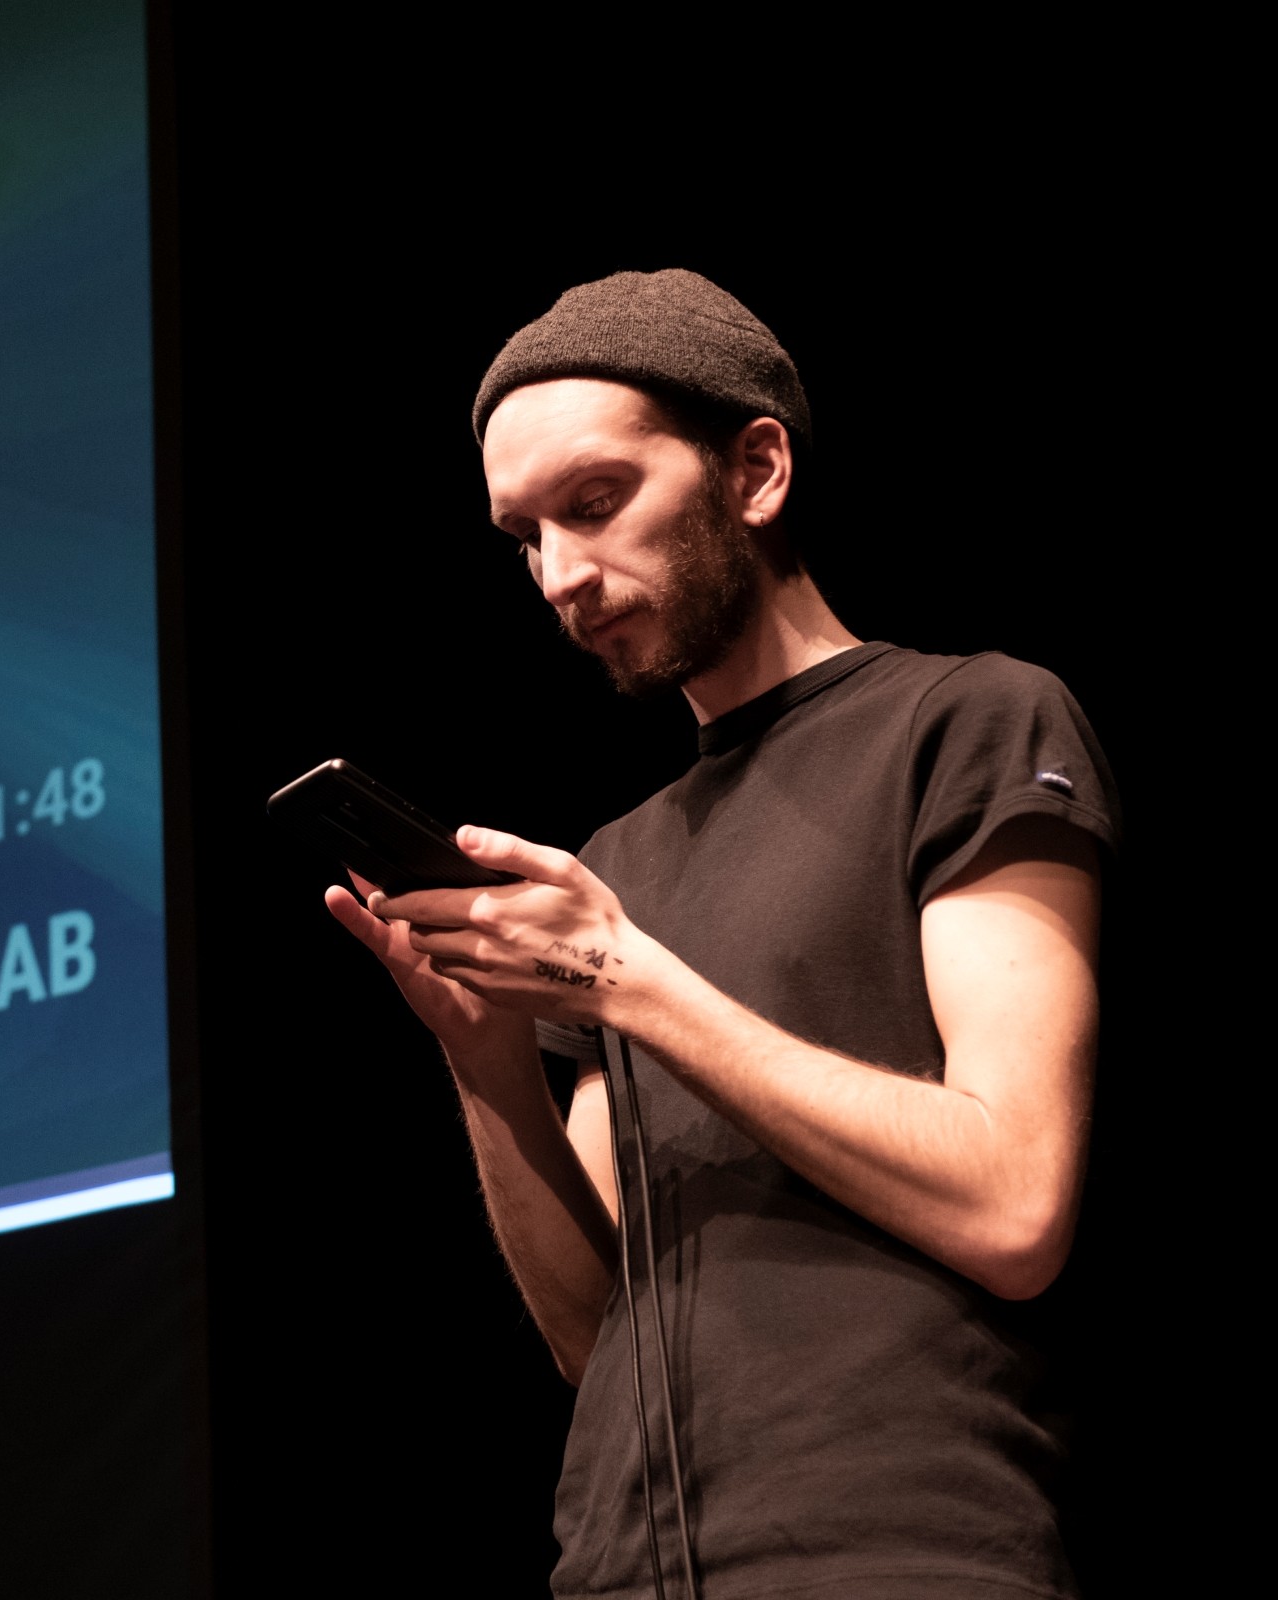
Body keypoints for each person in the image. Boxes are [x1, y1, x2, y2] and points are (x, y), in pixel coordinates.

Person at [324, 269, 1116, 1598]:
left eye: (596, 502)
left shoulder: (968, 723)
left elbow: (1014, 1197)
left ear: (755, 469)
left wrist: (628, 980)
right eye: (524, 538)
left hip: (899, 1555)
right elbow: (593, 1337)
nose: (563, 577)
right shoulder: (617, 866)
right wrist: (488, 1063)